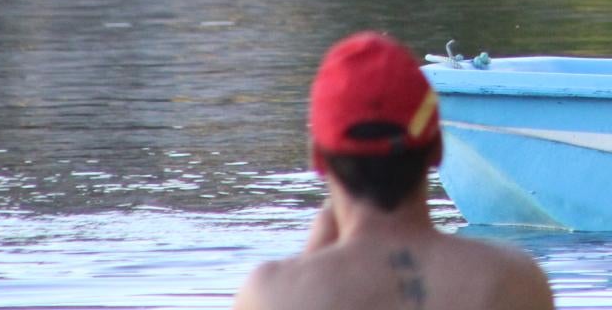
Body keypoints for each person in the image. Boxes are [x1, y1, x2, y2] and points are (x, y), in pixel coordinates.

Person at [233, 31, 554, 310]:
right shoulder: (516, 283)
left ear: (318, 157)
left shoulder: (268, 295)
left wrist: (307, 269)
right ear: (438, 148)